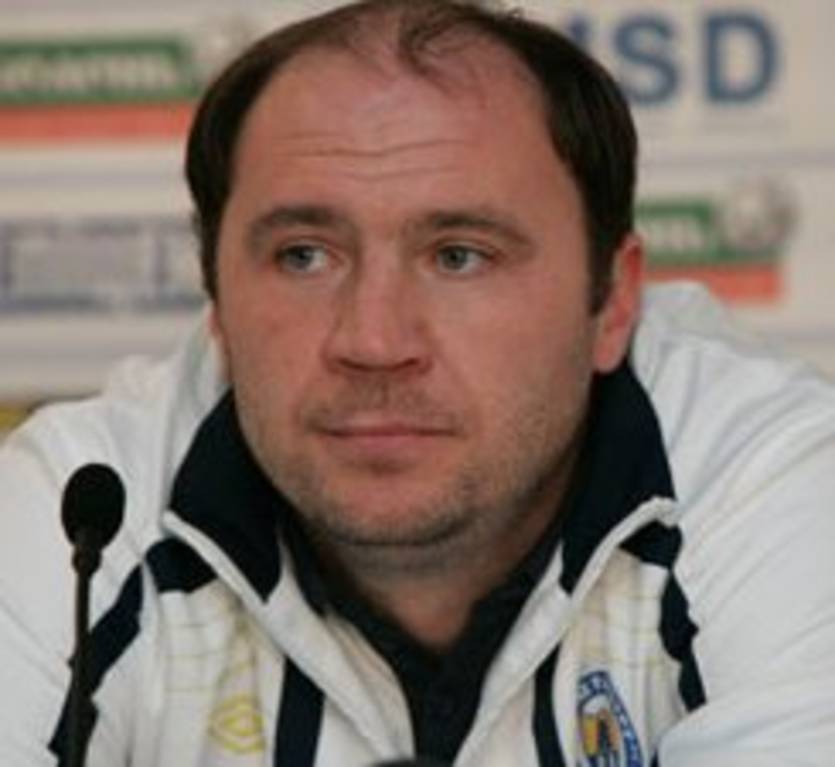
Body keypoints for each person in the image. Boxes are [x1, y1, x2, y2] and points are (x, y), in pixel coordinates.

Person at [1, 1, 834, 764]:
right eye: (303, 255)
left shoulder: (767, 473)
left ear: (612, 300)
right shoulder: (85, 503)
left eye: (459, 256)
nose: (373, 341)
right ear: (215, 299)